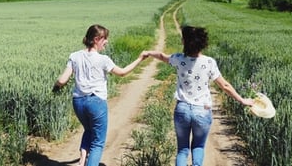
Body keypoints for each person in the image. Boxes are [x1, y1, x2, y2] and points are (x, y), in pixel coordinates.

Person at [145, 25, 254, 166]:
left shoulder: (178, 59)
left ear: (184, 41)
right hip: (202, 110)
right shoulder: (209, 62)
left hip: (182, 109)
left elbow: (161, 56)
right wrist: (242, 100)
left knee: (182, 150)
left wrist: (148, 53)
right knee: (198, 147)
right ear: (203, 43)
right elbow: (225, 85)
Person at [53, 24, 148, 166]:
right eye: (105, 38)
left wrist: (56, 87)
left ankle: (82, 161)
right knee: (98, 142)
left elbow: (62, 80)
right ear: (96, 39)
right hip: (96, 102)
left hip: (78, 102)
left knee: (88, 130)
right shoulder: (103, 59)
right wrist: (140, 59)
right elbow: (122, 73)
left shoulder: (74, 56)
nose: (107, 41)